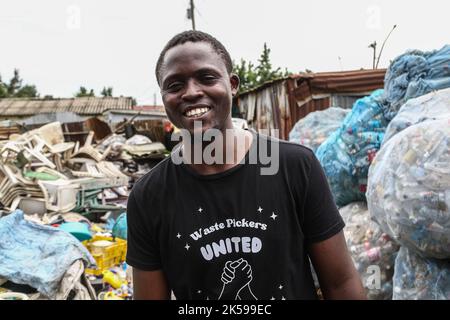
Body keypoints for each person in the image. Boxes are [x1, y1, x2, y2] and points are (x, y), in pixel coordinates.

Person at [126, 30, 366, 300]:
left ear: (233, 84)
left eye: (206, 78)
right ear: (163, 97)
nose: (191, 92)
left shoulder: (295, 167)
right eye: (175, 85)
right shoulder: (149, 197)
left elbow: (341, 283)